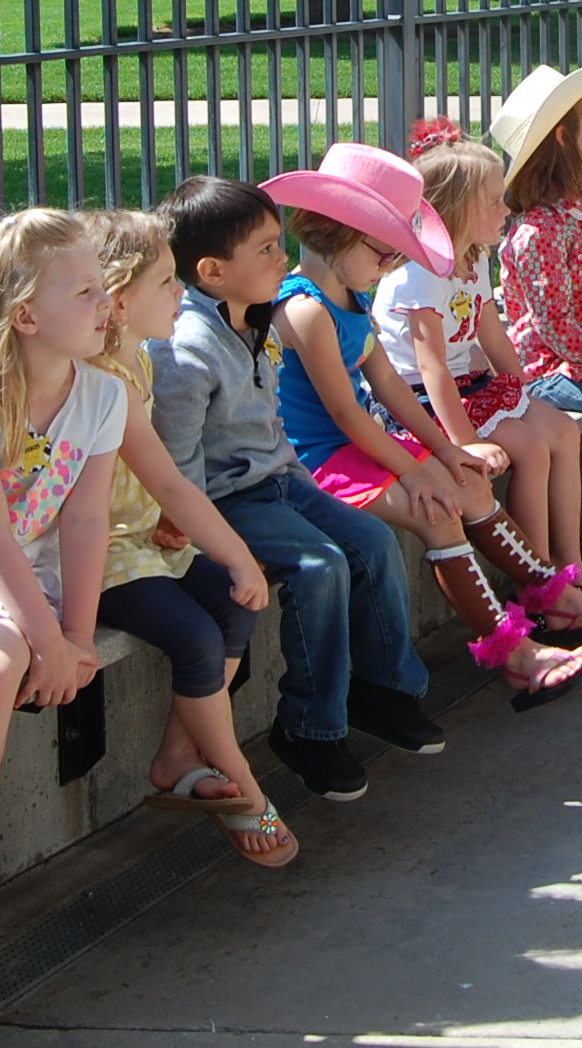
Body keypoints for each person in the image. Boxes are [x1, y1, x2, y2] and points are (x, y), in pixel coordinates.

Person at [0, 210, 291, 866]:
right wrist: (51, 641)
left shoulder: (102, 395)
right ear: (26, 317)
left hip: (22, 588)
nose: (106, 304)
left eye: (103, 286)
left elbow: (85, 520)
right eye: (86, 291)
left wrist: (76, 639)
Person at [266, 146, 582, 708]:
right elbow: (345, 414)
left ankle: (554, 593)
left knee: (469, 483)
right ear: (339, 232)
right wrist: (415, 471)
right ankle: (515, 654)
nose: (390, 265)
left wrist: (449, 452)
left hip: (360, 444)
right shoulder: (305, 310)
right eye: (384, 250)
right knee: (439, 511)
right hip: (321, 458)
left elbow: (388, 385)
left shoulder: (350, 294)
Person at [153, 176, 440, 802]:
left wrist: (303, 488)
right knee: (320, 566)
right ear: (213, 271)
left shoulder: (251, 315)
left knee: (371, 542)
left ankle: (385, 690)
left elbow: (268, 423)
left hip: (281, 480)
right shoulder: (187, 350)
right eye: (264, 249)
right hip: (226, 500)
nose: (281, 258)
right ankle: (309, 726)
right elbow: (177, 472)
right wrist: (217, 544)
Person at [377, 125, 582, 577]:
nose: (507, 209)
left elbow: (493, 337)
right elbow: (431, 368)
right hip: (423, 401)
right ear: (455, 209)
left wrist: (523, 394)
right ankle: (541, 580)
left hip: (469, 386)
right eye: (494, 201)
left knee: (563, 431)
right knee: (531, 449)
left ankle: (571, 562)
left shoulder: (474, 257)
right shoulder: (421, 274)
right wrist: (466, 443)